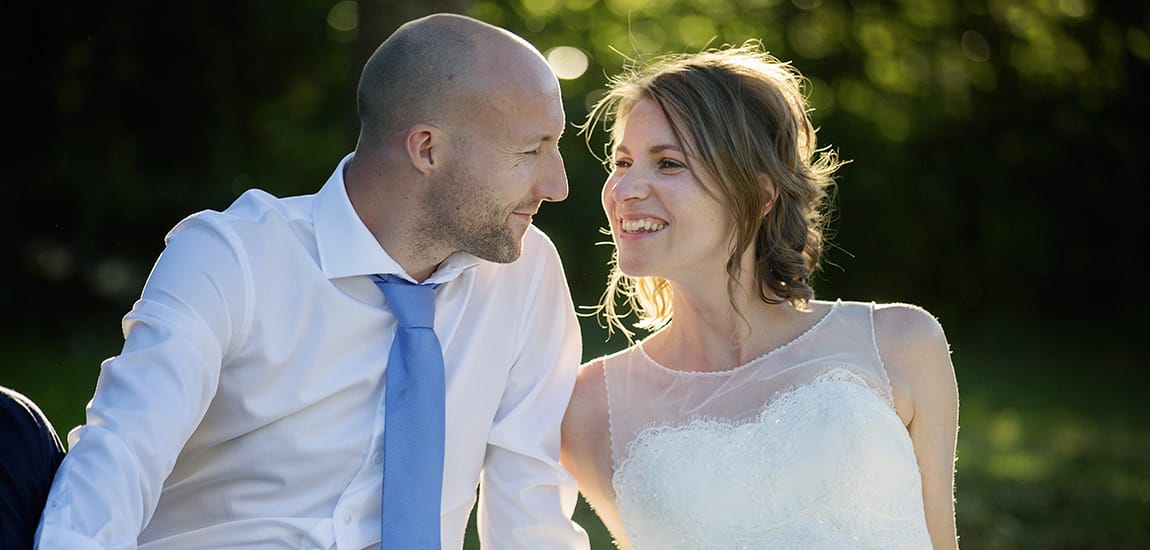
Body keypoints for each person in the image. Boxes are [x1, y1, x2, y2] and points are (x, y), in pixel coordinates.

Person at [15, 13, 589, 550]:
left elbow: (530, 513)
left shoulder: (526, 275)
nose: (558, 184)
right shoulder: (233, 258)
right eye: (531, 150)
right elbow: (119, 461)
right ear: (426, 149)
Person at [561, 41, 960, 549]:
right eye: (622, 162)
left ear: (759, 191)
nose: (624, 190)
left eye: (668, 164)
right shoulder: (589, 406)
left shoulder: (899, 344)